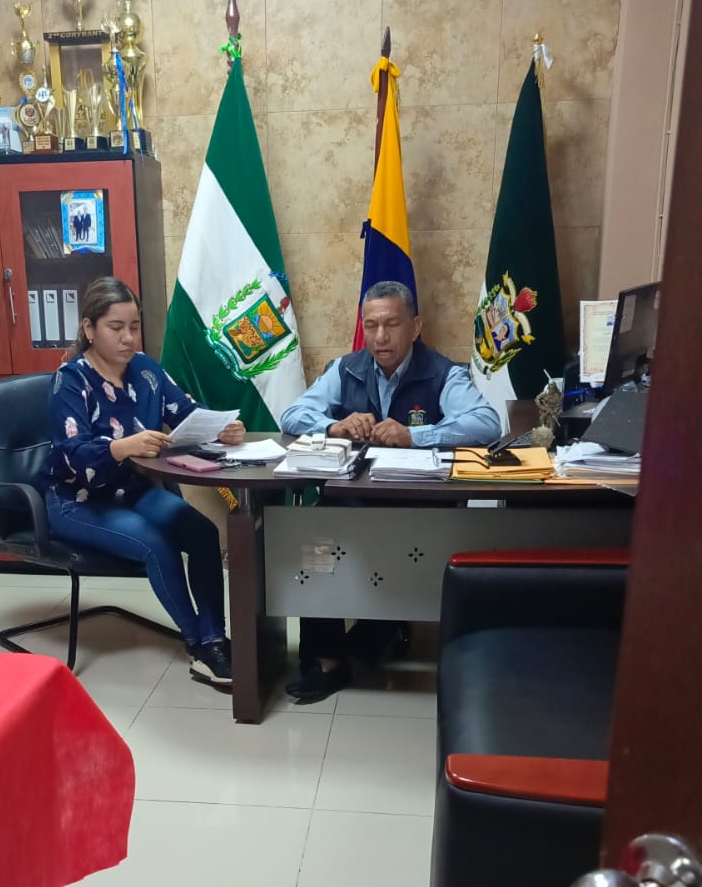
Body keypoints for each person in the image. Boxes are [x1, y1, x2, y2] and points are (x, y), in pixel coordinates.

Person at [280, 279, 502, 702]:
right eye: (371, 325)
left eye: (392, 324)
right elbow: (292, 414)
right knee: (313, 537)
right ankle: (328, 656)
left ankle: (380, 630)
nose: (380, 337)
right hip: (354, 501)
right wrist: (334, 426)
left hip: (421, 505)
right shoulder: (345, 369)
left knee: (403, 554)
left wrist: (416, 435)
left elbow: (487, 423)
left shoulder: (442, 372)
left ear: (415, 327)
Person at [43, 277, 245, 690]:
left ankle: (215, 637)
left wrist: (220, 428)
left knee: (202, 532)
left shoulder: (146, 371)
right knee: (155, 542)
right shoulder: (71, 380)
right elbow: (72, 453)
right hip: (77, 500)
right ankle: (198, 644)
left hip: (133, 491)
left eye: (134, 326)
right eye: (116, 327)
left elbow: (185, 411)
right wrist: (121, 447)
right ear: (89, 329)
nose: (128, 337)